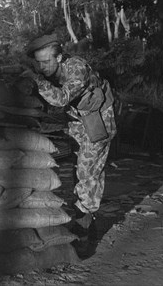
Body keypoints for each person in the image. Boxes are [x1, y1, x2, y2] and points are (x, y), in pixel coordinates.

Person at [25, 34, 117, 230]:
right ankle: (83, 212)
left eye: (45, 62)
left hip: (98, 119)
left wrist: (38, 82)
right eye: (38, 63)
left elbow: (61, 98)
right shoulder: (48, 69)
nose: (42, 68)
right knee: (79, 169)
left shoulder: (76, 67)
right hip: (77, 119)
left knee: (88, 171)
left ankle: (85, 224)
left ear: (58, 58)